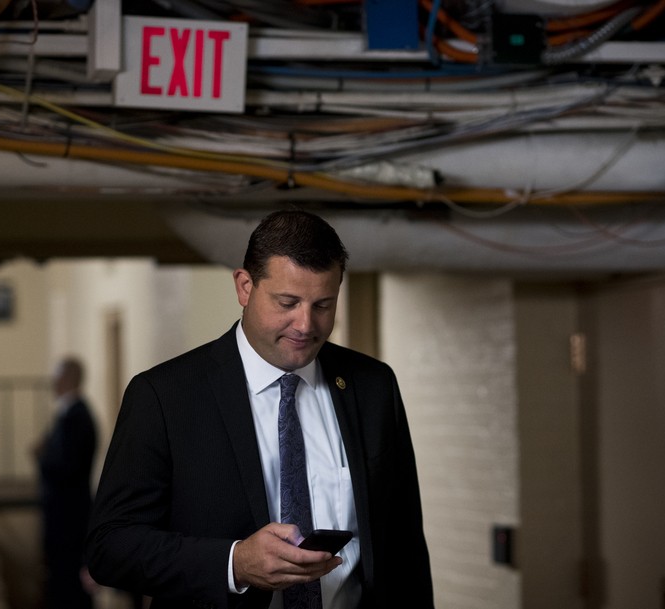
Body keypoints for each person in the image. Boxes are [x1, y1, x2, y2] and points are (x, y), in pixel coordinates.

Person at [85, 209, 433, 608]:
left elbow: (405, 549)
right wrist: (234, 563)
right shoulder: (164, 396)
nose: (305, 324)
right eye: (288, 302)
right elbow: (109, 547)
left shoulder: (373, 386)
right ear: (245, 287)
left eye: (323, 304)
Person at [35, 356, 98, 609]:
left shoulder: (76, 417)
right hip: (66, 512)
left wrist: (42, 456)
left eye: (57, 377)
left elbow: (66, 466)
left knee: (69, 580)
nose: (53, 383)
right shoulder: (71, 415)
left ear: (67, 379)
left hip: (69, 514)